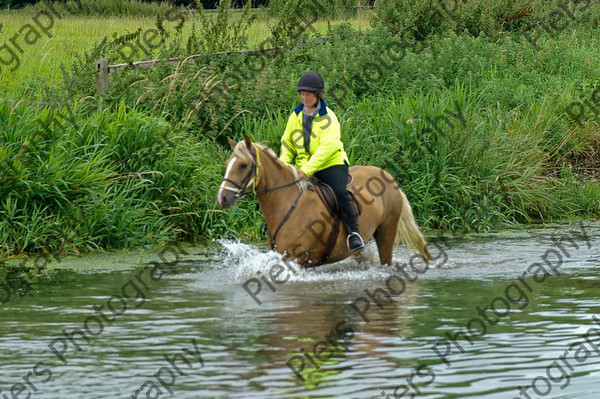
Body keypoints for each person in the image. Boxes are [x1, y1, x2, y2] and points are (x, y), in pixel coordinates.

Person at [280, 72, 365, 252]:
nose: (304, 98)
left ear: (318, 95)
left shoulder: (329, 118)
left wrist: (306, 170)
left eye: (308, 94)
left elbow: (328, 147)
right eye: (302, 94)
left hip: (330, 164)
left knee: (340, 193)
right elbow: (287, 144)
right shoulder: (295, 117)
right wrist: (283, 166)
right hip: (303, 166)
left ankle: (354, 234)